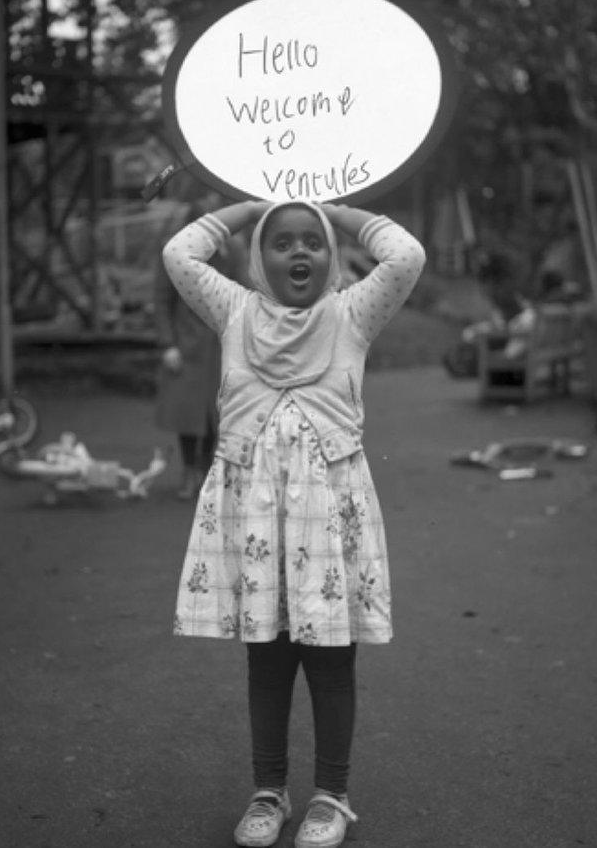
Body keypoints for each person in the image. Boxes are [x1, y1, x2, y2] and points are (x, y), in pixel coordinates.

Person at [162, 199, 425, 847]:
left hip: (327, 520)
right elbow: (179, 254)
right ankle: (268, 790)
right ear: (257, 256)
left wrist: (338, 207)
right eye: (281, 241)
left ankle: (331, 797)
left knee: (331, 660)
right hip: (257, 521)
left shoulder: (351, 316)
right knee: (268, 659)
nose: (299, 252)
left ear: (333, 254)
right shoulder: (234, 312)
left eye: (314, 240)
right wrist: (249, 205)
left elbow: (407, 255)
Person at [154, 192, 248, 499]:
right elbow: (162, 300)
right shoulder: (174, 253)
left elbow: (244, 292)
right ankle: (189, 470)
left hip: (222, 346)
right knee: (187, 413)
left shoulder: (232, 251)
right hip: (187, 343)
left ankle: (208, 472)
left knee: (216, 414)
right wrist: (168, 344)